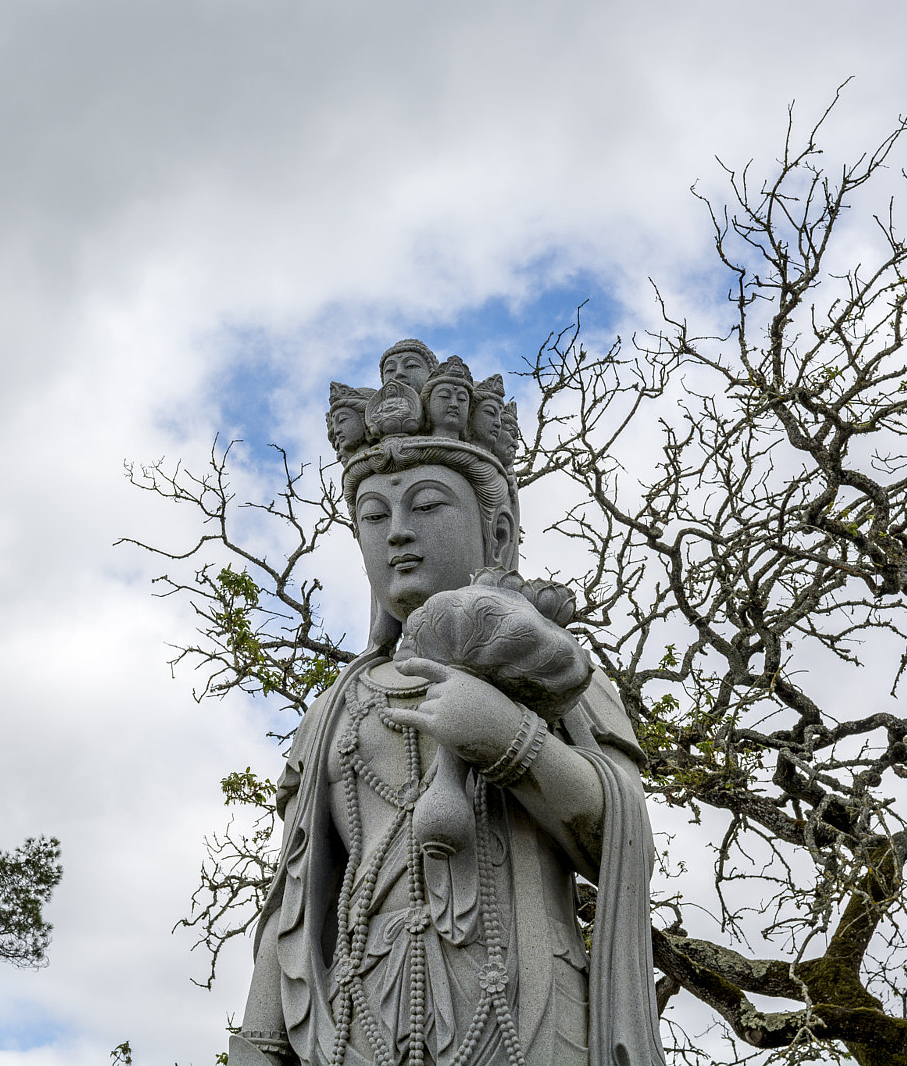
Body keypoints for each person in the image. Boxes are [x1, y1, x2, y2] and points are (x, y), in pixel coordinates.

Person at [233, 346, 663, 1066]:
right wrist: (259, 1045)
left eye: (427, 504)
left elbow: (619, 835)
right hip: (358, 1019)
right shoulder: (338, 707)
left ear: (495, 531)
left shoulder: (553, 670)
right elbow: (297, 899)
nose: (397, 531)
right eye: (374, 515)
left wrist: (510, 738)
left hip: (527, 1006)